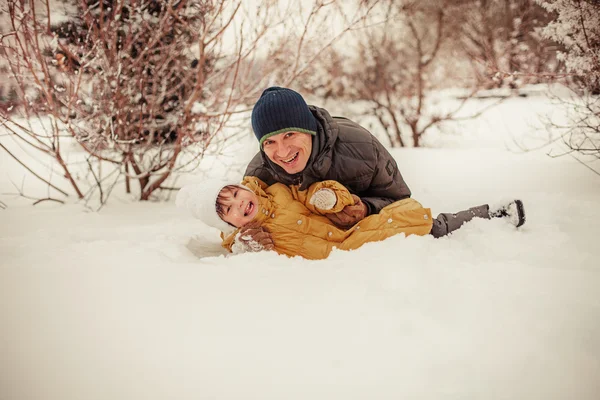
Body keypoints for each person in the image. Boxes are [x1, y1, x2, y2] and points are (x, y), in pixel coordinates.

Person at [176, 176, 526, 260]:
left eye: (237, 193)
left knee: (424, 225)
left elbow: (312, 195)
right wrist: (243, 246)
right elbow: (237, 256)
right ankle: (488, 217)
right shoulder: (247, 240)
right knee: (417, 233)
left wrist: (327, 198)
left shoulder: (280, 192)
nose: (240, 203)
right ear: (228, 224)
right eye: (229, 209)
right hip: (347, 259)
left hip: (353, 236)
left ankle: (492, 213)